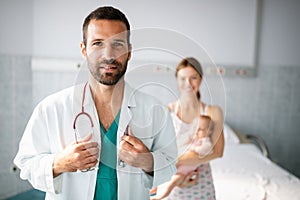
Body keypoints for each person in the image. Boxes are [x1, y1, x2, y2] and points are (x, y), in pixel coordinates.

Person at [14, 6, 177, 200]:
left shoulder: (155, 110)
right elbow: (25, 163)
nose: (109, 55)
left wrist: (147, 161)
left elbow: (170, 163)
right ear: (84, 50)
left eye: (118, 44)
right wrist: (60, 163)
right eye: (98, 43)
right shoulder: (52, 107)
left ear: (130, 51)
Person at [154, 57, 225, 199]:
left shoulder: (212, 112)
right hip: (171, 183)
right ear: (177, 80)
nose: (188, 83)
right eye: (183, 78)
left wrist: (176, 161)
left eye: (193, 78)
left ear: (201, 79)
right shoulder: (167, 111)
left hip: (201, 183)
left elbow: (217, 152)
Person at [150, 115, 214, 200]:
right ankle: (153, 188)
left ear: (209, 131)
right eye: (196, 128)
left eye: (201, 129)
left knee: (172, 183)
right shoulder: (195, 138)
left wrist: (194, 148)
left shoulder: (205, 142)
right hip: (179, 166)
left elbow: (205, 151)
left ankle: (159, 197)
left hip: (185, 172)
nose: (197, 131)